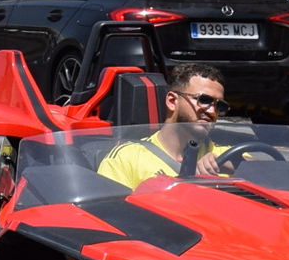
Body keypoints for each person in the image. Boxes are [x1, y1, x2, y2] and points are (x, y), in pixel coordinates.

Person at [96, 64, 228, 187]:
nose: (212, 111)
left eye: (220, 106)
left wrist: (234, 166)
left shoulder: (225, 156)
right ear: (172, 101)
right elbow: (109, 210)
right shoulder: (127, 158)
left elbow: (248, 162)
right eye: (204, 100)